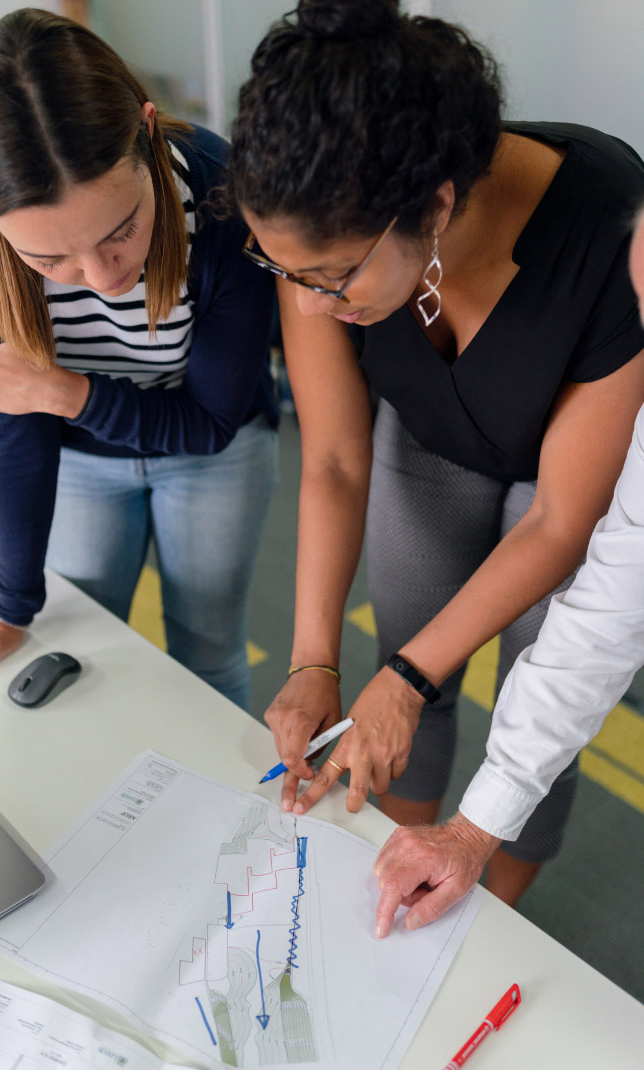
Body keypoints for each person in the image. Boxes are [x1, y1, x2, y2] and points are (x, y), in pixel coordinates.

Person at [226, 0, 644, 906]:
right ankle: (396, 870)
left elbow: (563, 518)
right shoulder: (312, 229)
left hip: (561, 486)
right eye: (285, 272)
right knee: (398, 668)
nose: (311, 304)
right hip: (431, 439)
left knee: (535, 700)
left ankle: (492, 913)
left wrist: (411, 678)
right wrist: (314, 660)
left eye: (333, 278)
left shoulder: (609, 231)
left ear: (436, 205)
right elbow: (333, 459)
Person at [0, 9, 279, 712]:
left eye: (121, 230)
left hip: (213, 454)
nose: (103, 279)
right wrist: (9, 607)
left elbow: (209, 423)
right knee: (88, 645)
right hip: (75, 455)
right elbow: (14, 418)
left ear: (148, 133)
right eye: (49, 259)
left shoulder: (222, 192)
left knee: (210, 653)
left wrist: (63, 392)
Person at [372, 210, 644, 935]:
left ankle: (501, 914)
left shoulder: (593, 229)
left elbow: (567, 528)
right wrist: (470, 831)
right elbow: (606, 617)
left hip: (563, 469)